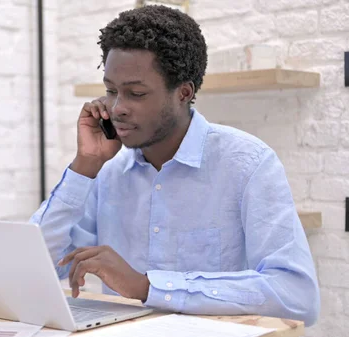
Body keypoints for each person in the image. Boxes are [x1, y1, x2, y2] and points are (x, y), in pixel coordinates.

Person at [29, 5, 320, 327]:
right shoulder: (107, 170)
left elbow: (296, 297)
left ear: (183, 93)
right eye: (111, 91)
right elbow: (35, 267)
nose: (117, 108)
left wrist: (147, 286)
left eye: (136, 93)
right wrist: (85, 166)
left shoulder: (247, 164)